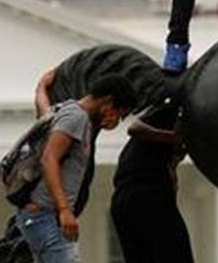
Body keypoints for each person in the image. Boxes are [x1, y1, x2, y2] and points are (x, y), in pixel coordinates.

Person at [15, 74, 138, 263]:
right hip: (47, 216)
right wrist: (64, 210)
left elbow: (44, 114)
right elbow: (49, 159)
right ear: (108, 101)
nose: (116, 121)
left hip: (40, 217)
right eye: (119, 114)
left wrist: (41, 88)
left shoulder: (67, 110)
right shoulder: (76, 118)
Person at [110, 100, 194, 263]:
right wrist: (173, 138)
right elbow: (134, 128)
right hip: (143, 192)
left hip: (128, 198)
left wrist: (174, 163)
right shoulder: (171, 111)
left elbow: (173, 160)